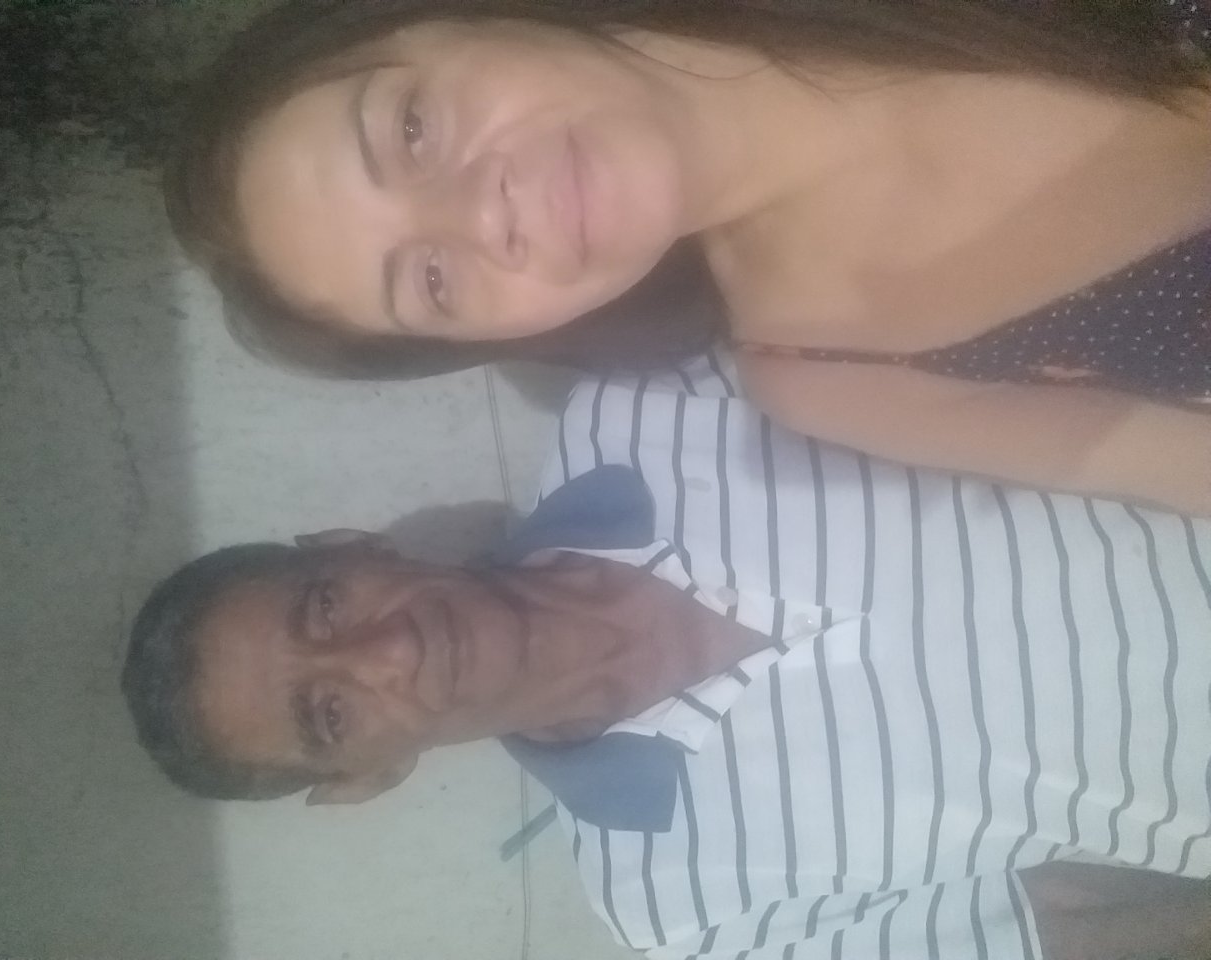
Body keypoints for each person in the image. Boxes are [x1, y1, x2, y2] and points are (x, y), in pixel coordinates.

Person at [122, 354, 1211, 959]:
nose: (384, 650)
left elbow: (1026, 355)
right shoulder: (681, 914)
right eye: (329, 715)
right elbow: (1074, 942)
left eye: (324, 607)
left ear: (349, 544)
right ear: (364, 778)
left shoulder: (646, 407)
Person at [165, 0, 1211, 515]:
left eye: (409, 130)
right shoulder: (828, 373)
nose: (481, 217)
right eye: (430, 282)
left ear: (446, 17)